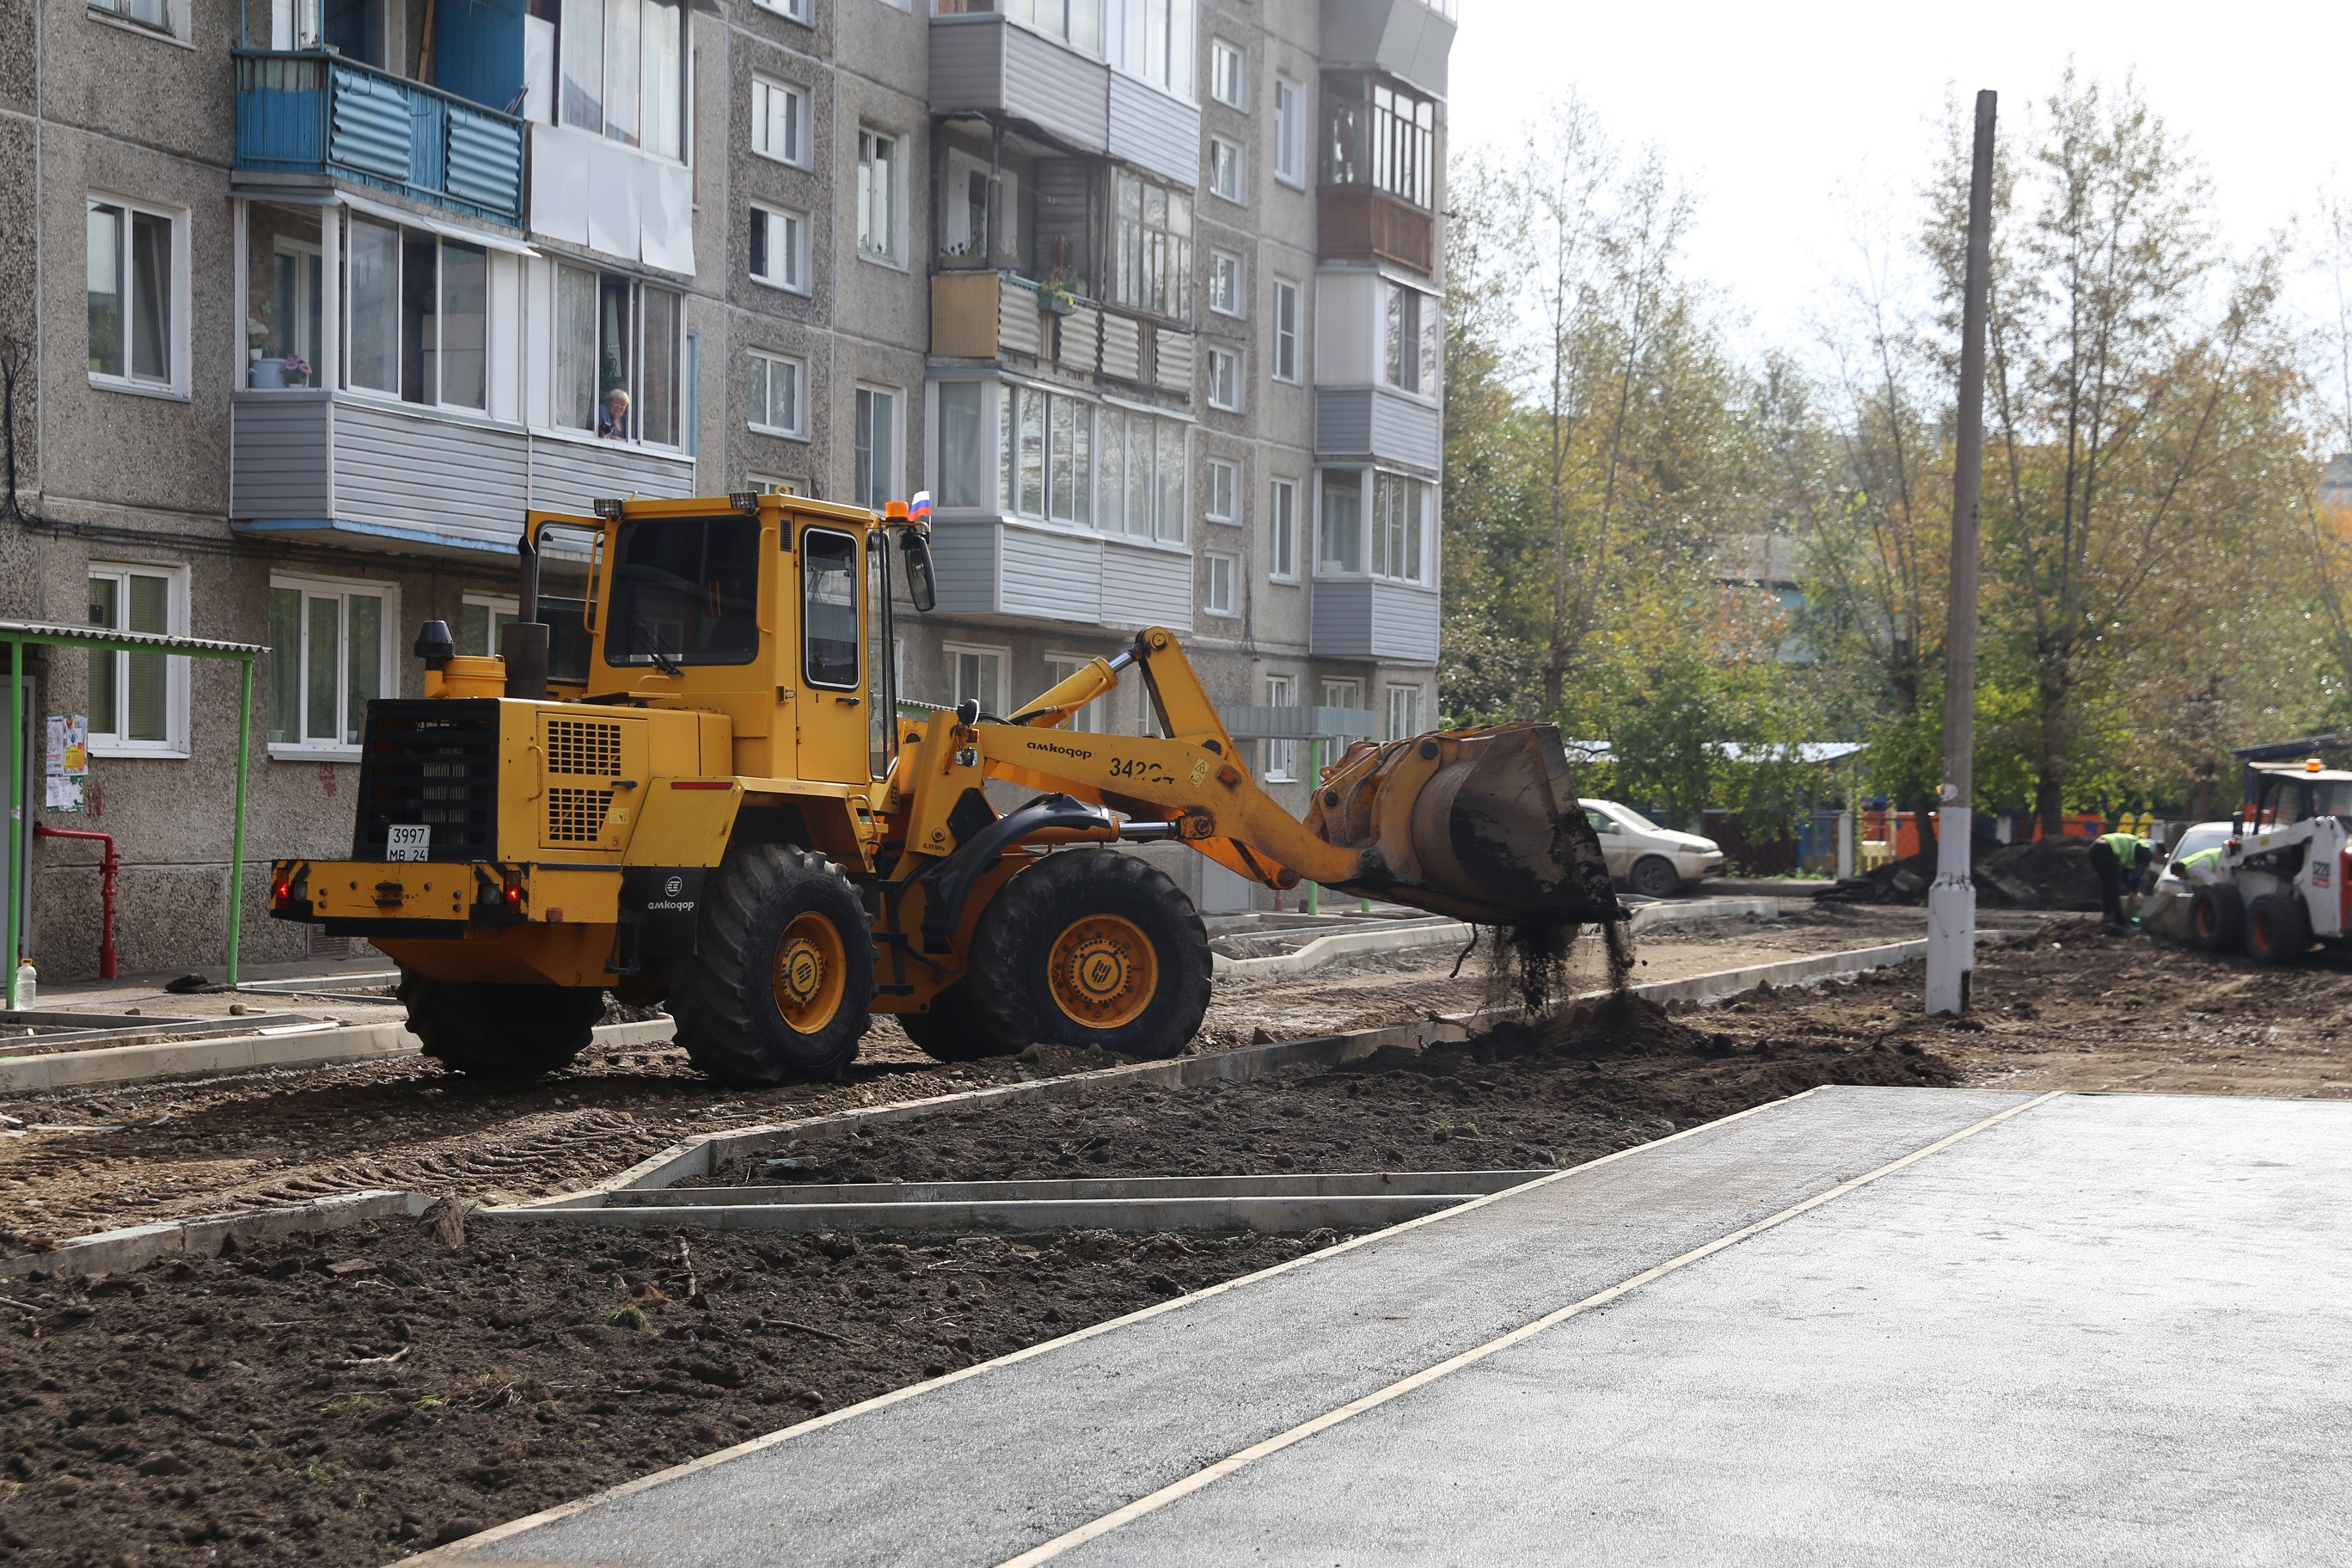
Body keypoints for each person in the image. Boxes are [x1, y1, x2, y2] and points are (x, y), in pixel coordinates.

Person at [2088, 829, 2154, 930]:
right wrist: (2135, 891)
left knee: (2108, 884)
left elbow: (2125, 875)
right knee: (2113, 887)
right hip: (2105, 849)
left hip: (2095, 848)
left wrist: (2130, 889)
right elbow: (2136, 876)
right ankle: (2121, 922)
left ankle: (2107, 915)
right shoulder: (2146, 853)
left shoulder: (2134, 850)